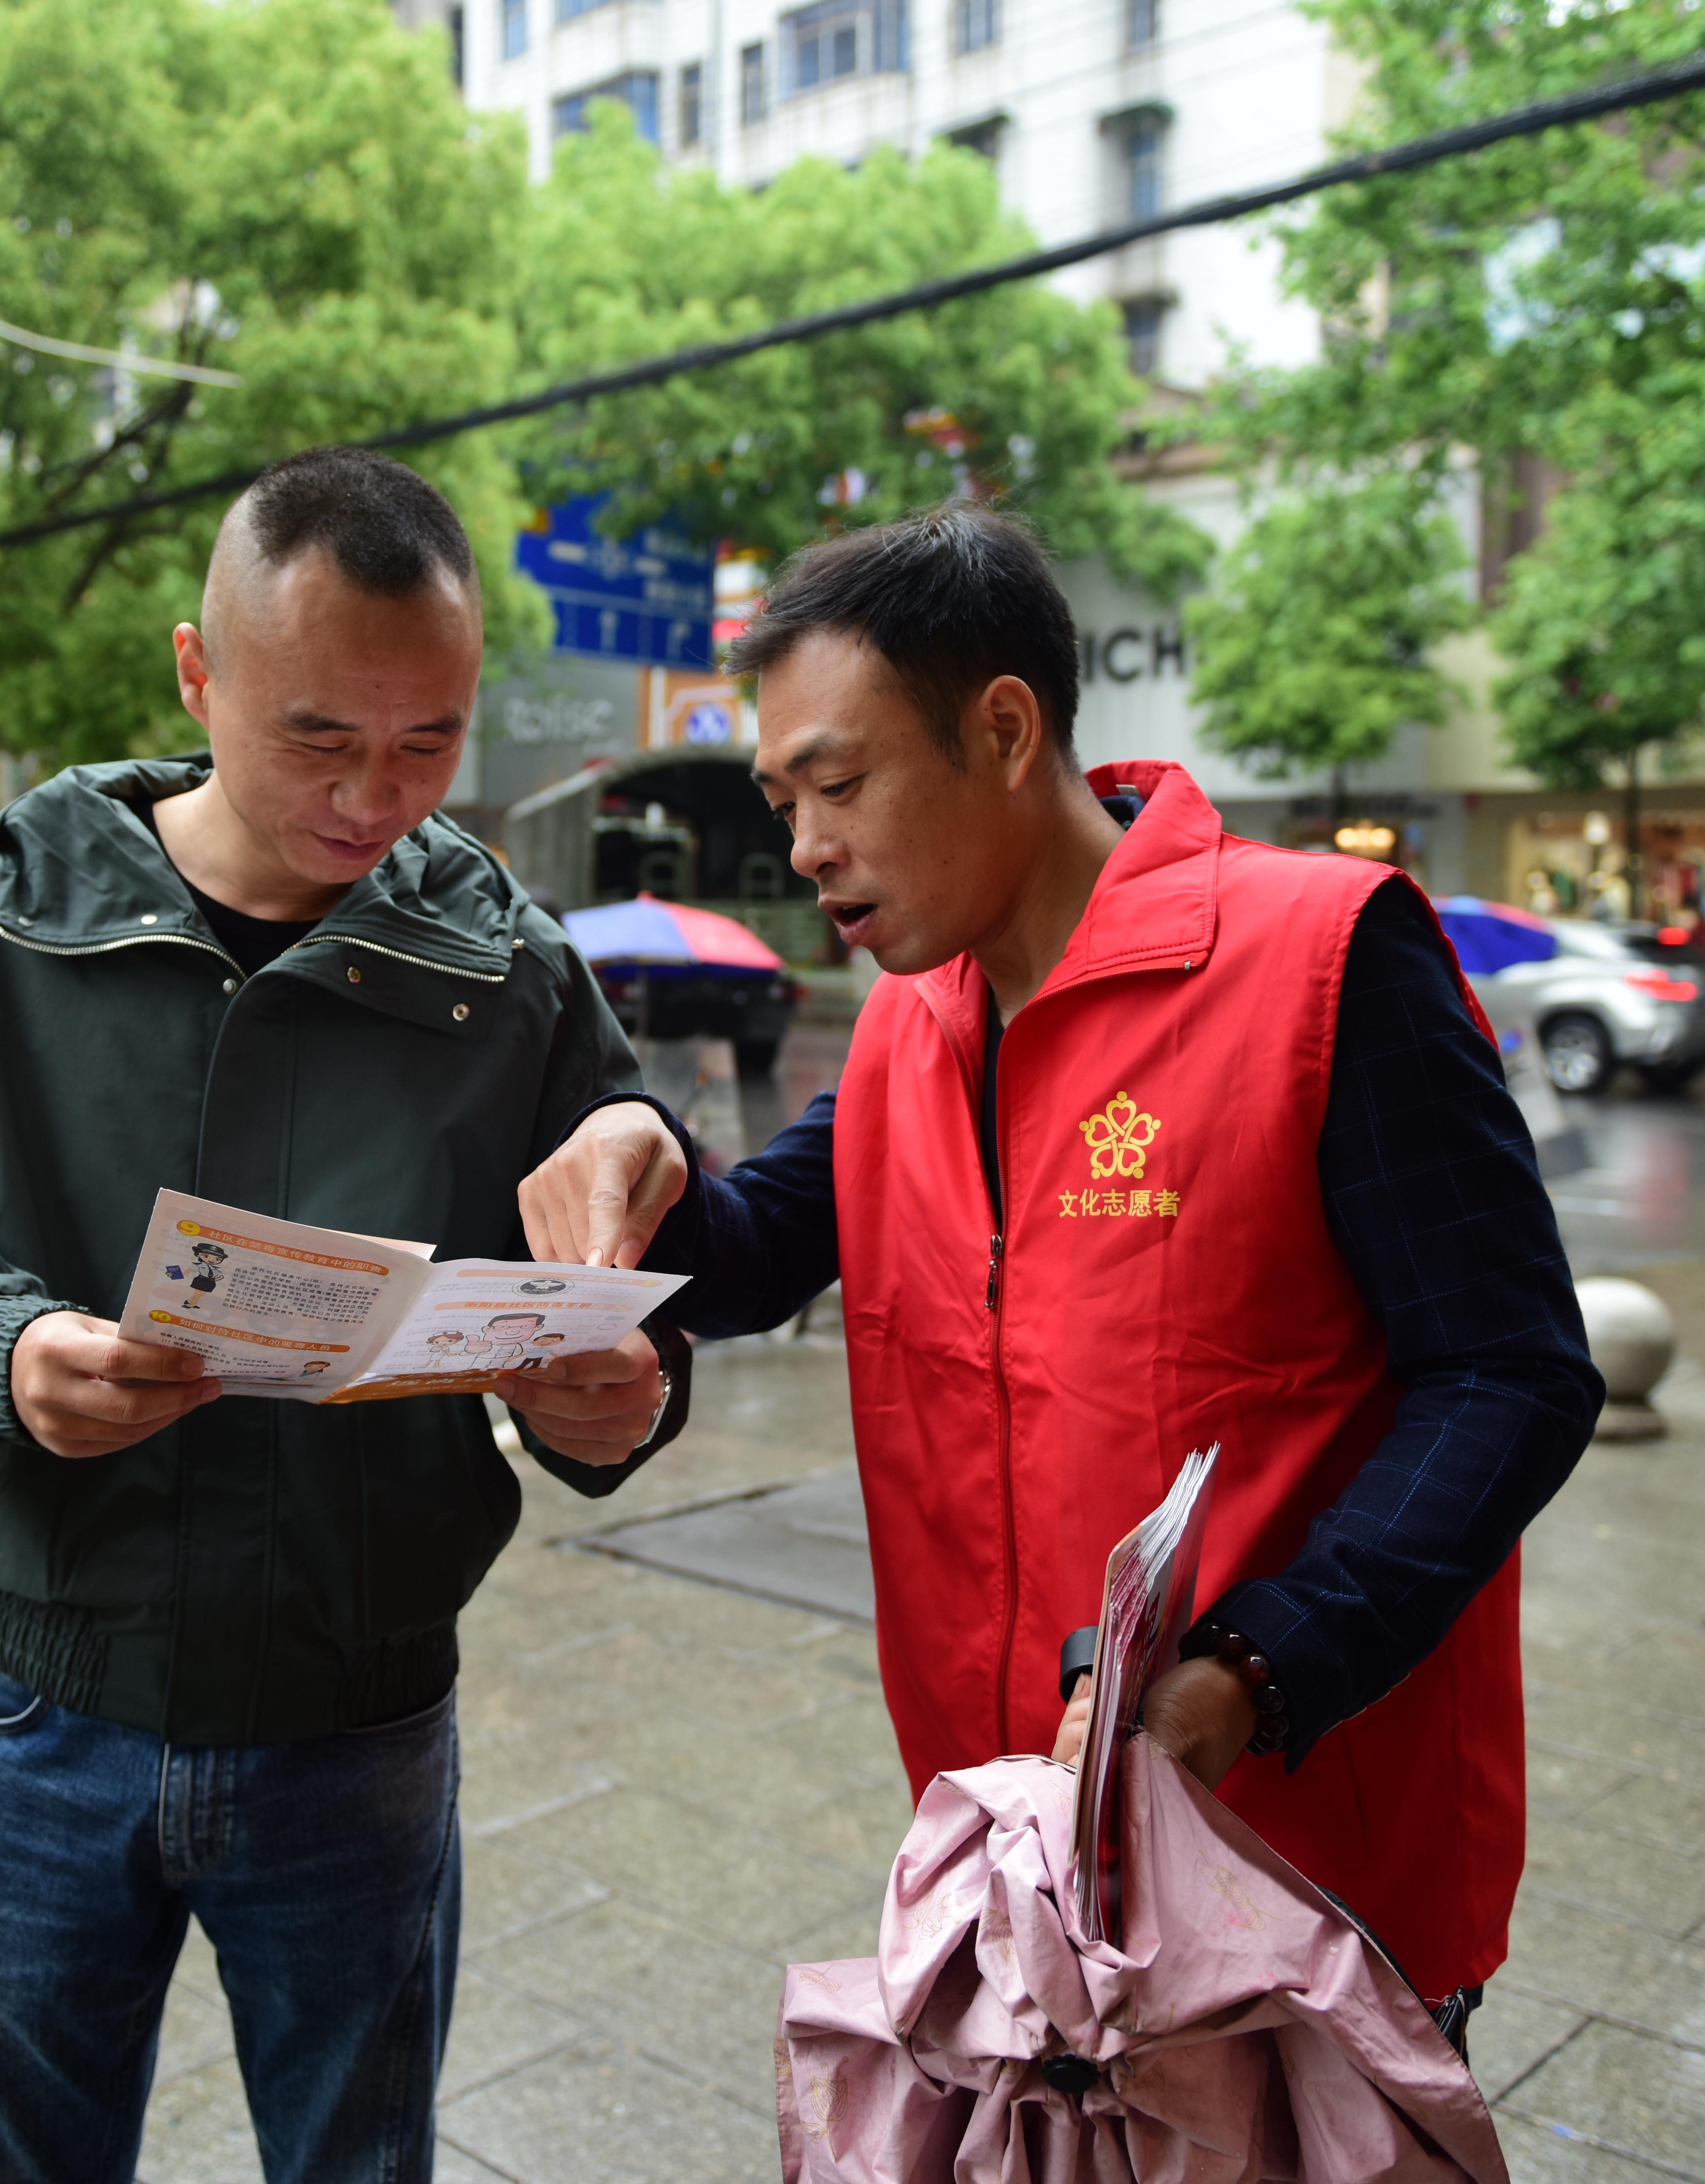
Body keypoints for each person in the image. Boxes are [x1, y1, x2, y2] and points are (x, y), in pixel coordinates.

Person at [518, 503, 1602, 2049]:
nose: (807, 844)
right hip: (1014, 1859)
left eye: (839, 782)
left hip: (1298, 1876)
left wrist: (1254, 1666)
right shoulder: (915, 1016)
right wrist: (634, 1144)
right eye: (784, 799)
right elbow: (752, 1247)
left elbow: (1512, 1370)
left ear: (1007, 729)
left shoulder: (1323, 959)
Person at [0, 447, 686, 2184]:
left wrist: (613, 1390)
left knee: (359, 2157)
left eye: (430, 743)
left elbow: (609, 1292)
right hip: (49, 1695)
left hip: (360, 1712)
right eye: (319, 737)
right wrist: (4, 1354)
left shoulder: (509, 973)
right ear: (197, 674)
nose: (375, 800)